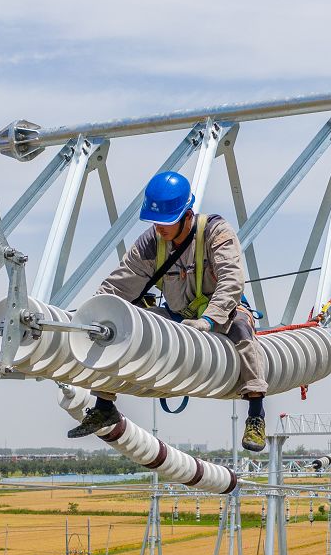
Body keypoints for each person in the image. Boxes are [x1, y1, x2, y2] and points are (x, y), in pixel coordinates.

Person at [66, 170, 269, 453]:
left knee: (243, 332)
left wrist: (209, 320)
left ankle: (256, 414)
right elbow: (120, 284)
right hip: (177, 317)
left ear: (187, 215)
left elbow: (231, 280)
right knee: (123, 327)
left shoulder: (216, 233)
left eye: (166, 222)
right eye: (155, 222)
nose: (159, 229)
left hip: (223, 314)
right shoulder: (152, 243)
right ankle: (103, 404)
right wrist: (90, 316)